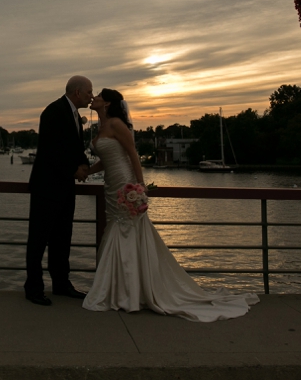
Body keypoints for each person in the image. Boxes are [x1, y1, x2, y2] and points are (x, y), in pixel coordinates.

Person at [82, 88, 259, 322]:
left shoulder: (116, 124)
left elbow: (132, 154)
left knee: (126, 229)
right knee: (118, 227)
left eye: (98, 96)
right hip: (110, 184)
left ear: (106, 104)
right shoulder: (101, 127)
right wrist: (85, 172)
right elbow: (106, 161)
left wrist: (140, 187)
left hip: (125, 183)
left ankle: (129, 293)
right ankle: (122, 290)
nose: (93, 98)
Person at [24, 75, 94, 306]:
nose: (91, 96)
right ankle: (33, 288)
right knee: (39, 238)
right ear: (77, 92)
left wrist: (83, 164)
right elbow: (50, 150)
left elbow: (74, 147)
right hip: (47, 185)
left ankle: (61, 283)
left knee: (63, 237)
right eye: (88, 92)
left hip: (64, 186)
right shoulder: (53, 111)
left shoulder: (73, 114)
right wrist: (73, 171)